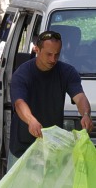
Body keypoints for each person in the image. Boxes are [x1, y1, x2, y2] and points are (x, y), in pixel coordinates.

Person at [8, 30, 93, 169]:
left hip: (52, 148)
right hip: (23, 149)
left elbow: (80, 97)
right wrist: (31, 121)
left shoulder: (67, 72)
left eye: (57, 54)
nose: (53, 59)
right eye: (48, 54)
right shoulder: (22, 74)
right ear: (37, 50)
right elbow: (19, 103)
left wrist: (85, 114)